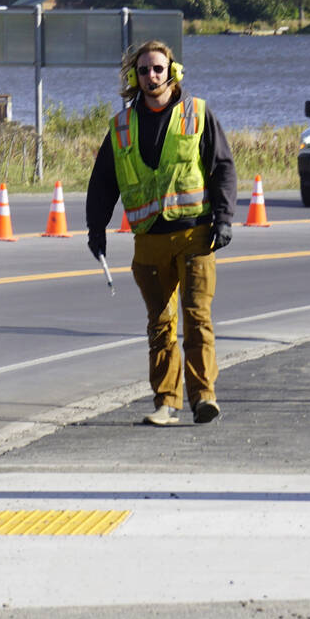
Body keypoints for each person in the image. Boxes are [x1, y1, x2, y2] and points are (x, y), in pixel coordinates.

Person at [84, 40, 237, 426]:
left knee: (196, 317)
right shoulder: (121, 126)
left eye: (157, 68)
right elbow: (103, 181)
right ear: (134, 77)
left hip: (196, 235)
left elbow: (222, 168)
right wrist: (96, 228)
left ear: (172, 71)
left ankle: (204, 398)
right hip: (149, 241)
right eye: (143, 70)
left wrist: (224, 217)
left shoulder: (197, 114)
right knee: (160, 323)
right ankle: (165, 403)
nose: (151, 76)